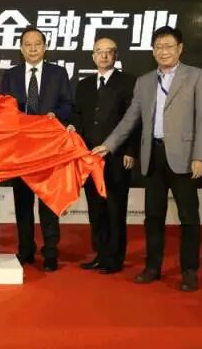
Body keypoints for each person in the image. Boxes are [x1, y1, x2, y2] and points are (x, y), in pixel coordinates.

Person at [93, 26, 202, 291]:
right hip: (152, 156)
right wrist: (108, 145)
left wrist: (200, 156)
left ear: (180, 49)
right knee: (153, 216)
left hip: (184, 156)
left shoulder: (197, 76)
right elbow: (130, 118)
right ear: (153, 51)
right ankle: (152, 267)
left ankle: (189, 270)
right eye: (159, 47)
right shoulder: (145, 81)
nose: (163, 51)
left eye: (169, 46)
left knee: (188, 217)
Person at [0, 27, 73, 272]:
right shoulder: (10, 75)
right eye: (27, 44)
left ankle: (50, 252)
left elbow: (68, 103)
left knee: (48, 202)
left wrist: (55, 115)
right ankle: (26, 250)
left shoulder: (58, 73)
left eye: (37, 44)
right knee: (22, 203)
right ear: (21, 49)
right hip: (20, 149)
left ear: (45, 47)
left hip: (48, 148)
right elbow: (3, 108)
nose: (32, 48)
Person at [71, 36, 137, 274]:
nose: (104, 55)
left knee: (115, 208)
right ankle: (100, 254)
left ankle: (114, 259)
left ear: (116, 55)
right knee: (96, 208)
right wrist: (72, 130)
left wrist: (130, 150)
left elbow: (134, 119)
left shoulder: (129, 82)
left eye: (109, 51)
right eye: (99, 51)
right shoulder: (84, 85)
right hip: (89, 157)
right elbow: (78, 116)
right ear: (93, 56)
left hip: (117, 157)